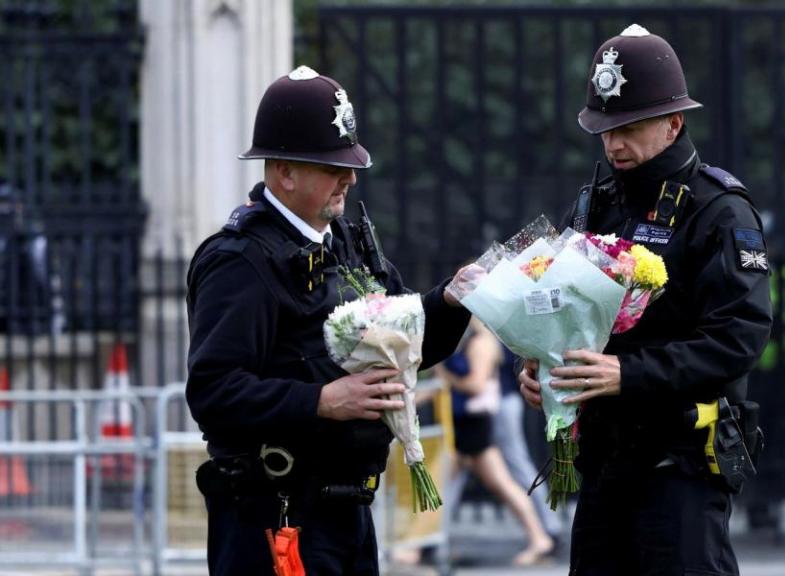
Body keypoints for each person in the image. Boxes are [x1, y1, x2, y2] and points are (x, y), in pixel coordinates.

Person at [186, 66, 472, 576]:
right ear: (284, 173)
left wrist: (449, 303)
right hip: (274, 520)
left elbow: (407, 339)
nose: (350, 178)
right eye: (331, 165)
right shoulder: (240, 260)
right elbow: (213, 391)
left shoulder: (345, 243)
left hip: (345, 520)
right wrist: (320, 402)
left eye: (350, 163)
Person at [518, 25, 773, 576]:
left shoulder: (719, 210)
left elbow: (739, 338)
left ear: (673, 123)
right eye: (604, 129)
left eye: (628, 128)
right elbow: (556, 311)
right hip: (604, 469)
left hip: (678, 471)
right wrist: (541, 368)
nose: (613, 144)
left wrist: (625, 374)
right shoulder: (593, 205)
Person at [440, 318, 555, 566]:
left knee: (505, 479)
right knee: (448, 483)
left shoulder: (483, 342)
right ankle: (432, 543)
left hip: (475, 424)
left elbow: (475, 384)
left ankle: (542, 534)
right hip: (466, 423)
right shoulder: (469, 340)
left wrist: (444, 375)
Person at [493, 346, 564, 539]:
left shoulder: (490, 339)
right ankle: (546, 530)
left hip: (500, 402)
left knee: (517, 465)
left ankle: (548, 528)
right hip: (492, 405)